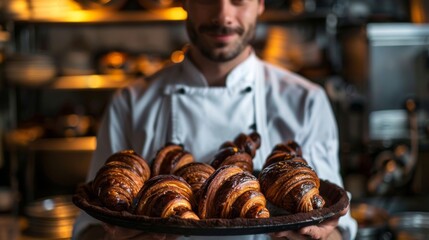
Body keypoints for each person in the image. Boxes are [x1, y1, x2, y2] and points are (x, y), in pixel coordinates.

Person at [72, 0, 358, 239]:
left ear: (260, 3)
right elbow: (88, 227)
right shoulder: (131, 103)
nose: (223, 16)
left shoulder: (306, 101)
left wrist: (323, 236)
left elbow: (337, 226)